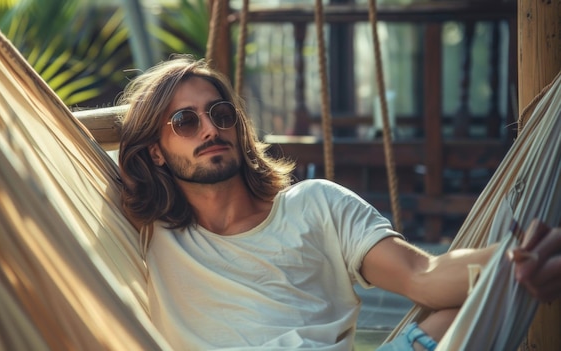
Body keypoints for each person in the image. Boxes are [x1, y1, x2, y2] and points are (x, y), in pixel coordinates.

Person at [117, 56, 560, 351]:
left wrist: (514, 263)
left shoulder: (316, 205)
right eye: (184, 121)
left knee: (464, 310)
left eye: (220, 114)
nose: (210, 130)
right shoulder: (147, 234)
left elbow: (421, 275)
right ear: (155, 150)